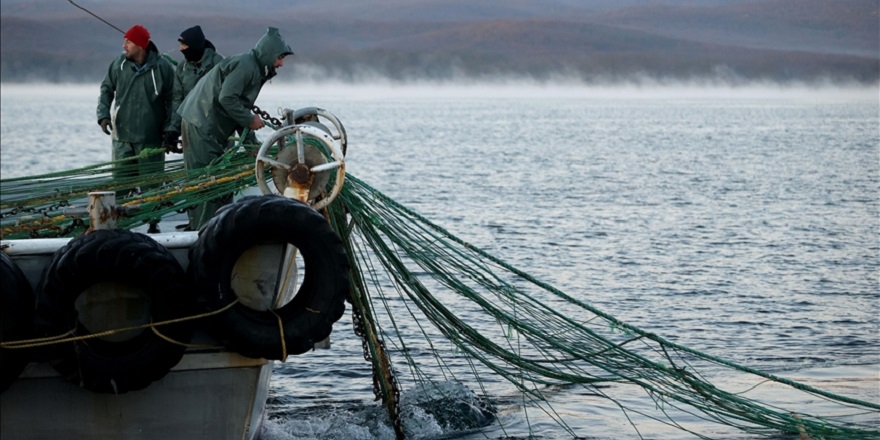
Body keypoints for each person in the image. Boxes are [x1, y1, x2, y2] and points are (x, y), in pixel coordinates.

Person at [177, 26, 293, 229]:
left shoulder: (255, 69)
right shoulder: (246, 66)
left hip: (206, 124)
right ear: (268, 54)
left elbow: (239, 104)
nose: (281, 63)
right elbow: (227, 98)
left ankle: (212, 226)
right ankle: (202, 230)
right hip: (201, 123)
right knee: (206, 180)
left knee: (215, 179)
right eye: (279, 57)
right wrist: (250, 120)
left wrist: (252, 147)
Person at [96, 24, 175, 192]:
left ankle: (153, 218)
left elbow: (174, 100)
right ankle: (122, 217)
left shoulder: (163, 68)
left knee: (152, 189)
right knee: (121, 188)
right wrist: (103, 115)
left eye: (128, 42)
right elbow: (106, 89)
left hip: (150, 139)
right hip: (122, 139)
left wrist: (171, 130)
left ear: (140, 45)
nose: (124, 46)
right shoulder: (119, 64)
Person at [164, 25, 224, 151]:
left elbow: (229, 98)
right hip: (191, 131)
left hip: (218, 133)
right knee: (194, 170)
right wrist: (173, 131)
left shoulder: (218, 64)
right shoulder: (182, 68)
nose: (180, 49)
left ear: (194, 46)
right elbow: (178, 101)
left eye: (184, 45)